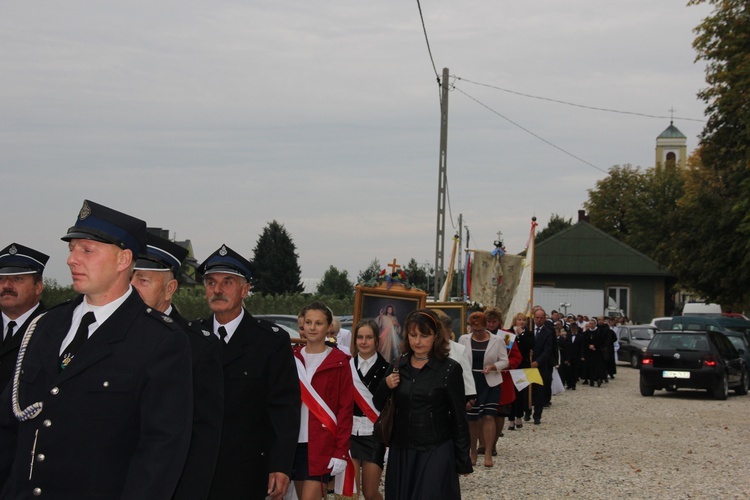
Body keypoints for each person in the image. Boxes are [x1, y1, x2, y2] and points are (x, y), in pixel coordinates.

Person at [0, 200, 193, 498]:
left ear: (123, 260)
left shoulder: (159, 340)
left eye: (86, 250)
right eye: (71, 249)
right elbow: (10, 425)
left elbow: (160, 453)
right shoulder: (46, 326)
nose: (72, 260)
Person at [198, 244, 300, 500]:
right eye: (211, 283)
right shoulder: (189, 337)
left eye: (227, 282)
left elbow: (284, 408)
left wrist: (280, 465)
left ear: (245, 289)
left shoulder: (270, 341)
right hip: (196, 467)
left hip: (247, 468)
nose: (217, 290)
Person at [131, 232, 224, 500]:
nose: (132, 288)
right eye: (129, 279)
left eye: (143, 280)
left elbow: (203, 437)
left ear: (170, 289)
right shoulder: (111, 338)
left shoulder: (198, 346)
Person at [374, 308, 472, 499]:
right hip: (402, 451)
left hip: (435, 449)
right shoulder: (398, 364)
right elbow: (378, 403)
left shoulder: (449, 370)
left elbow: (459, 418)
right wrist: (386, 385)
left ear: (436, 336)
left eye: (424, 335)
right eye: (413, 335)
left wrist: (462, 460)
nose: (417, 341)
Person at [292, 301, 353, 500]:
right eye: (308, 322)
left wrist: (341, 450)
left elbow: (345, 409)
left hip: (321, 444)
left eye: (318, 323)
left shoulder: (340, 362)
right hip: (293, 443)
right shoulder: (291, 358)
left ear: (329, 328)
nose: (312, 327)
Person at [458, 311, 509, 467]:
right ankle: (472, 452)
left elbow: (504, 361)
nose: (477, 332)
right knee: (472, 419)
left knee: (488, 416)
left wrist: (494, 366)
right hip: (470, 382)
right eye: (474, 329)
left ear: (486, 325)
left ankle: (488, 452)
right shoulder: (463, 339)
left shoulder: (497, 340)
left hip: (490, 382)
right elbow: (459, 359)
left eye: (480, 329)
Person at [347, 318, 388, 500]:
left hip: (374, 434)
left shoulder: (387, 369)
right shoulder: (345, 367)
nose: (364, 342)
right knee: (351, 493)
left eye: (369, 337)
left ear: (377, 341)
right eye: (360, 337)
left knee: (370, 493)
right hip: (350, 434)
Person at [0, 243, 48, 393]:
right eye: (1, 279)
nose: (6, 286)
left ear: (38, 287)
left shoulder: (53, 328)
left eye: (18, 279)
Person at [508, 312, 534, 430]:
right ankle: (511, 419)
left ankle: (519, 416)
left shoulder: (528, 334)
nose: (521, 322)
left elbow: (530, 346)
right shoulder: (508, 333)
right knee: (510, 393)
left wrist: (521, 334)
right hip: (511, 367)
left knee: (520, 393)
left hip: (522, 367)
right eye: (519, 320)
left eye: (523, 320)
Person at [530, 308, 554, 425]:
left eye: (541, 318)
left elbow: (548, 350)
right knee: (528, 390)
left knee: (540, 391)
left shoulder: (548, 332)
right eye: (537, 318)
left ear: (544, 318)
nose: (539, 320)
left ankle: (537, 415)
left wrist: (538, 362)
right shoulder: (528, 330)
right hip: (528, 365)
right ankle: (526, 411)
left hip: (541, 366)